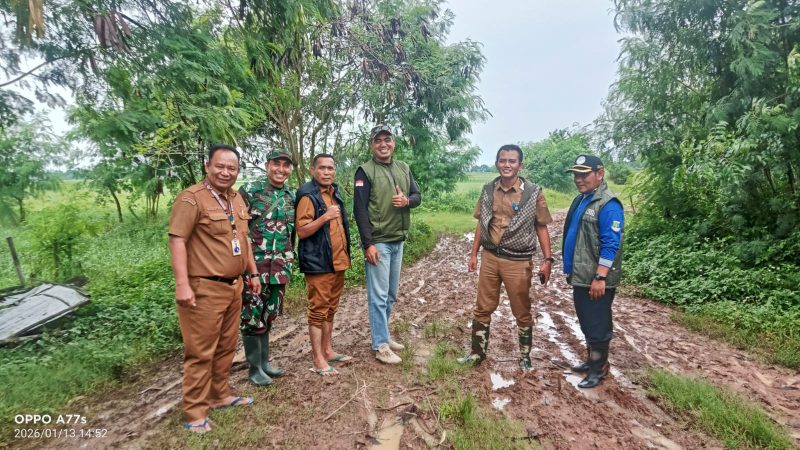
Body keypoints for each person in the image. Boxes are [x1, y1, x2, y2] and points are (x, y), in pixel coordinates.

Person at [168, 144, 260, 433]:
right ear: (207, 165)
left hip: (234, 286)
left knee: (226, 346)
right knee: (200, 351)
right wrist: (182, 285)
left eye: (232, 168)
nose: (225, 172)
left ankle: (220, 396)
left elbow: (243, 239)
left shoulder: (236, 198)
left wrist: (253, 272)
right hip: (204, 287)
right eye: (220, 166)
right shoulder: (191, 199)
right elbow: (177, 240)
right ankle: (195, 413)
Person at [458, 144, 554, 370]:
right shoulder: (488, 190)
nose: (507, 165)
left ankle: (525, 357)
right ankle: (477, 353)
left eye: (512, 161)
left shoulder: (533, 193)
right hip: (490, 257)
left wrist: (548, 260)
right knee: (482, 307)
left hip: (518, 261)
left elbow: (541, 226)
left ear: (520, 165)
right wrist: (474, 254)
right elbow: (481, 223)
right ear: (496, 163)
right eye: (502, 161)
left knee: (522, 309)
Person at [354, 125, 422, 364]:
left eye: (387, 139)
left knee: (391, 294)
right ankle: (380, 345)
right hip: (379, 242)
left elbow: (417, 196)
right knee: (379, 296)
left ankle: (383, 334)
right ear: (372, 145)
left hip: (398, 240)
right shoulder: (365, 171)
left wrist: (406, 201)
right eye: (378, 140)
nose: (383, 144)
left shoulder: (403, 167)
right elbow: (359, 210)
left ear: (394, 143)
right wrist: (368, 244)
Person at [563, 154, 624, 389]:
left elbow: (611, 244)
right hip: (582, 275)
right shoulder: (582, 199)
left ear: (600, 174)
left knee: (598, 324)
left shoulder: (608, 204)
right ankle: (592, 361)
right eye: (576, 175)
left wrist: (600, 276)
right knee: (587, 321)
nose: (579, 179)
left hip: (595, 279)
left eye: (584, 174)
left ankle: (599, 368)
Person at [238, 149, 295, 386]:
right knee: (252, 316)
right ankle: (254, 369)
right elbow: (238, 231)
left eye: (286, 165)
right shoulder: (249, 191)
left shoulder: (292, 196)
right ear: (267, 165)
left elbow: (292, 233)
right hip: (255, 268)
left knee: (269, 314)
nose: (281, 169)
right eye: (276, 164)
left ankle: (265, 363)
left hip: (280, 267)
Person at [296, 154, 352, 376]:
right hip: (318, 263)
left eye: (331, 168)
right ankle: (317, 358)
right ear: (312, 170)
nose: (327, 172)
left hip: (337, 262)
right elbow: (302, 231)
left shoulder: (333, 193)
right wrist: (325, 217)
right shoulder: (308, 195)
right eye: (322, 168)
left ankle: (328, 351)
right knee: (318, 311)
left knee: (330, 309)